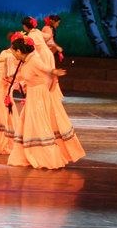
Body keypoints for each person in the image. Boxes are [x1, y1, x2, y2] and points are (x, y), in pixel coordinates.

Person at [7, 36, 85, 168]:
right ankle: (32, 154)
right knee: (30, 124)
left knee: (39, 124)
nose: (12, 53)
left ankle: (46, 157)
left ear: (19, 51)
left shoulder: (34, 59)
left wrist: (54, 71)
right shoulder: (26, 60)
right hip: (33, 94)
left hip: (38, 96)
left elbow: (45, 68)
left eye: (13, 50)